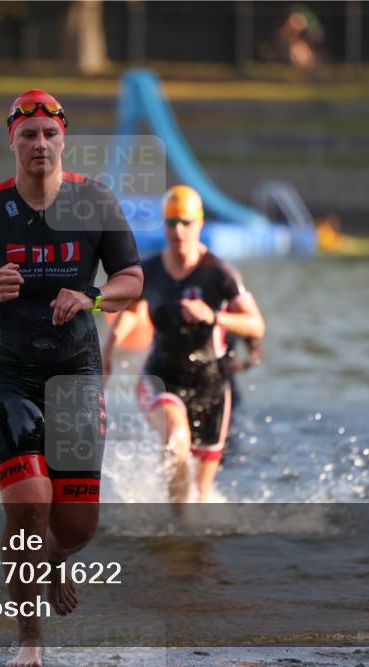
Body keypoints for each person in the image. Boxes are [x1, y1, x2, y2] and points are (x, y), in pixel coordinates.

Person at [0, 89, 142, 667]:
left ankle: (50, 561)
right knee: (27, 502)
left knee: (75, 526)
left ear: (63, 139)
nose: (39, 145)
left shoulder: (94, 200)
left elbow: (131, 278)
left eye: (49, 134)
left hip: (76, 370)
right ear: (12, 142)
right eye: (28, 136)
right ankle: (30, 642)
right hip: (8, 370)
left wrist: (93, 297)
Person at [103, 185, 264, 503]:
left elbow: (256, 324)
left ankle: (187, 542)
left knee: (201, 494)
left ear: (200, 223)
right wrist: (109, 348)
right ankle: (174, 536)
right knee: (176, 440)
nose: (179, 230)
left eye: (186, 222)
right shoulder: (148, 270)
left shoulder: (219, 273)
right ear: (164, 225)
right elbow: (134, 314)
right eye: (172, 222)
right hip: (162, 377)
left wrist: (214, 317)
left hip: (213, 384)